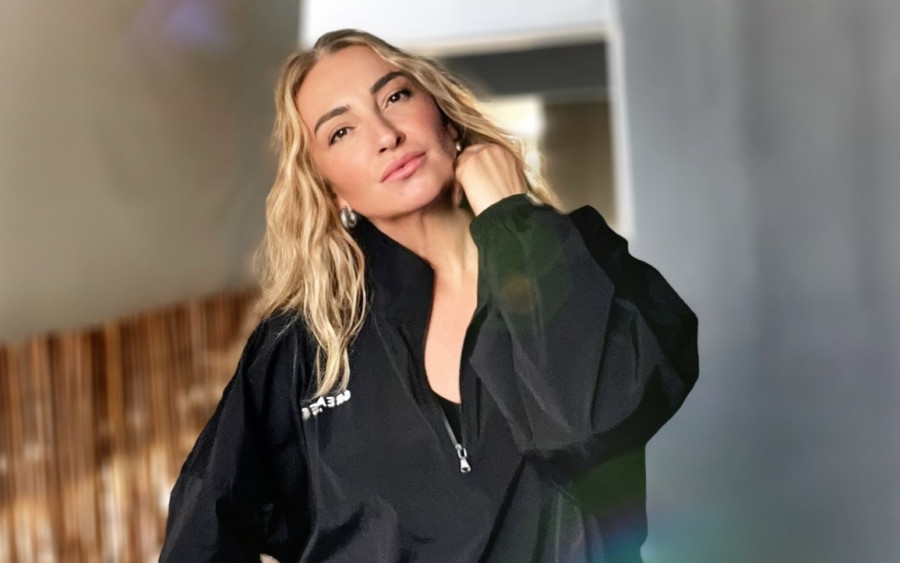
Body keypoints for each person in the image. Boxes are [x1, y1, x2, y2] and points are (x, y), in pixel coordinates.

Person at [160, 29, 698, 563]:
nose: (385, 135)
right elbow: (203, 529)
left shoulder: (582, 258)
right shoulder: (306, 343)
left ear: (443, 114)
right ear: (328, 188)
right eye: (341, 131)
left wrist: (511, 221)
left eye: (395, 96)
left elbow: (590, 423)